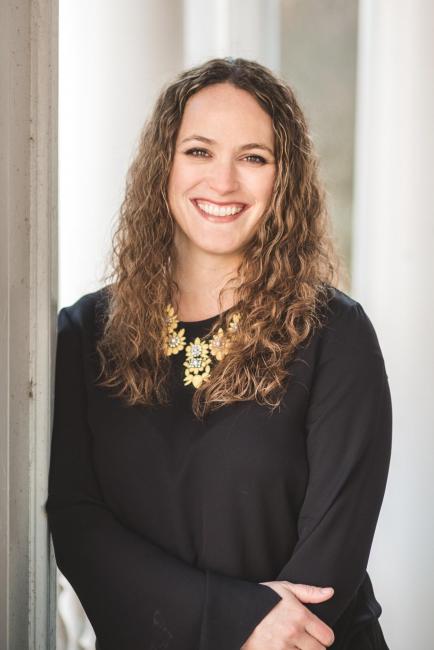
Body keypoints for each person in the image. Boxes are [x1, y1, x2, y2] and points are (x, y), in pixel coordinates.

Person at [45, 57, 392, 650]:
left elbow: (330, 558)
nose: (224, 183)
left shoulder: (335, 333)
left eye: (253, 158)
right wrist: (236, 619)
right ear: (164, 166)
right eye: (199, 151)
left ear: (283, 179)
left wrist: (265, 635)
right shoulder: (84, 334)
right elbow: (79, 524)